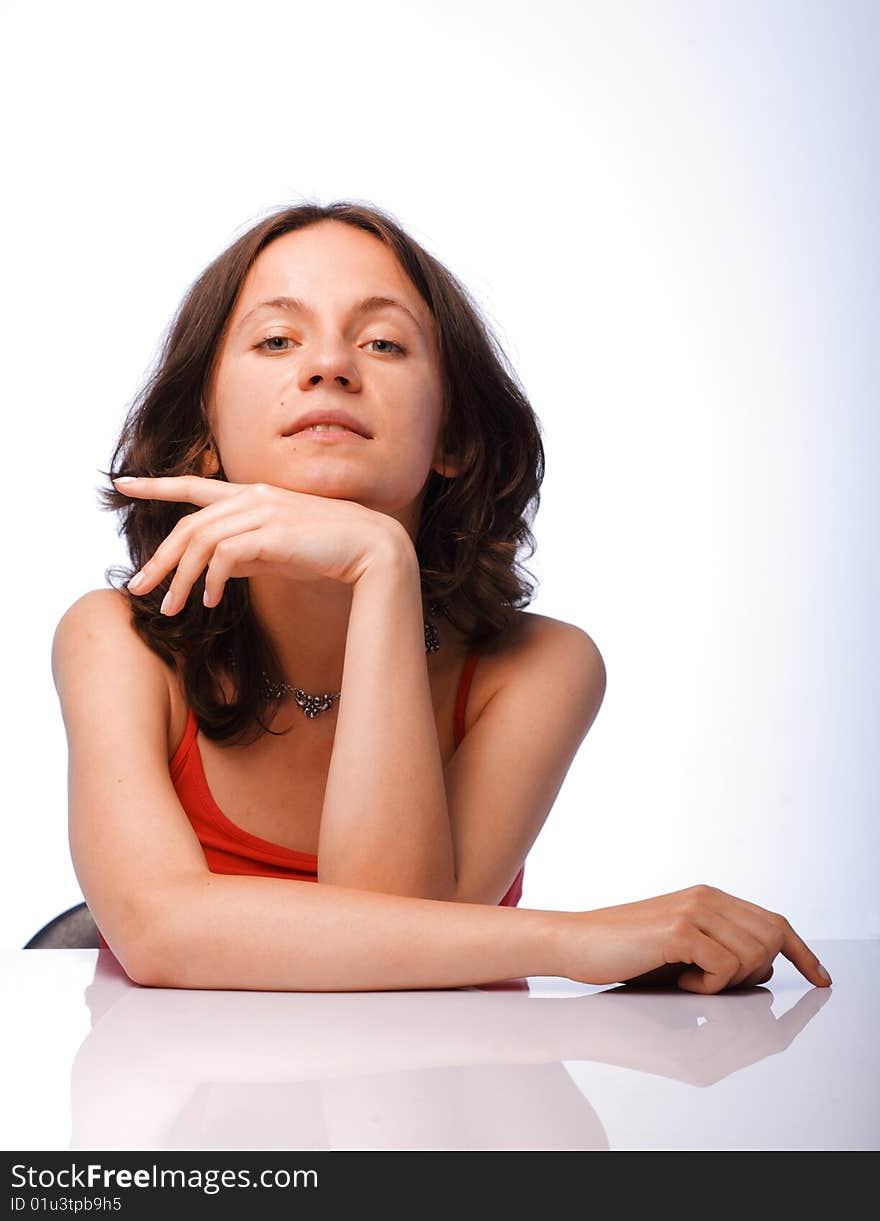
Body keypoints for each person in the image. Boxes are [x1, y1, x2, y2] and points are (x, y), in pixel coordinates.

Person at [51, 200, 832, 995]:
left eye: (383, 342)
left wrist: (378, 566)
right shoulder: (114, 641)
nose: (329, 367)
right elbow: (159, 933)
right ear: (204, 436)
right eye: (277, 340)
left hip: (427, 1103)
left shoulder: (542, 667)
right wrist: (573, 940)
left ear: (453, 438)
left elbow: (397, 970)